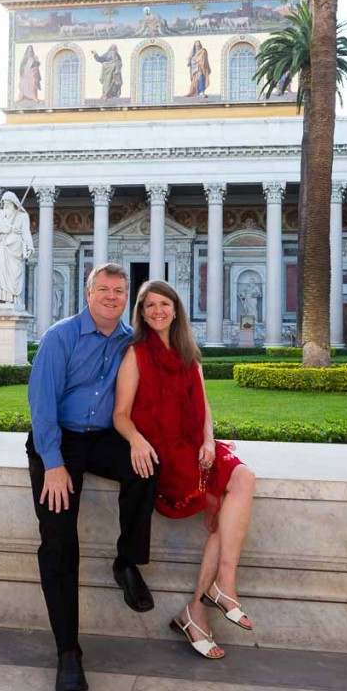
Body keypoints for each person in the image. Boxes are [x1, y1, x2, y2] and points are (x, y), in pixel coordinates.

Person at [27, 264, 159, 691]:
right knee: (60, 539)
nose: (111, 296)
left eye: (119, 291)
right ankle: (68, 652)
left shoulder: (129, 342)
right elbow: (41, 404)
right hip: (58, 440)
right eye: (103, 289)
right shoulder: (60, 337)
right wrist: (52, 462)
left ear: (127, 298)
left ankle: (126, 562)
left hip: (102, 438)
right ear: (87, 294)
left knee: (147, 467)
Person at [113, 280, 256, 659]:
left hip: (196, 448)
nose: (157, 310)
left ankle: (213, 594)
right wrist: (137, 441)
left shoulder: (189, 352)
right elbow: (120, 415)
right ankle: (205, 604)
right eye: (149, 306)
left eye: (164, 303)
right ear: (142, 314)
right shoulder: (136, 354)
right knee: (227, 508)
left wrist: (209, 441)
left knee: (244, 478)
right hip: (164, 456)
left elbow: (205, 407)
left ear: (176, 309)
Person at [0, 192, 34, 304]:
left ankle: (11, 298)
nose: (6, 205)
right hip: (0, 247)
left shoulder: (22, 216)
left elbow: (26, 232)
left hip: (14, 249)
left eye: (8, 203)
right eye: (4, 203)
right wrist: (4, 230)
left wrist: (29, 246)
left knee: (13, 274)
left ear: (14, 203)